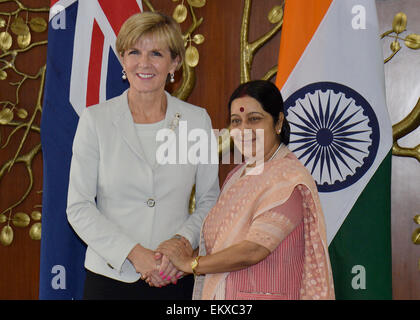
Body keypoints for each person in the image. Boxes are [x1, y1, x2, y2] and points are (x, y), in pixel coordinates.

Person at [66, 11, 220, 300]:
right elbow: (79, 207)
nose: (144, 63)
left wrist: (180, 244)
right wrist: (134, 254)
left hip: (174, 276)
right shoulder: (95, 120)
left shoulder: (197, 120)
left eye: (156, 53)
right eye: (134, 52)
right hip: (110, 277)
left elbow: (210, 200)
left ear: (174, 62)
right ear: (123, 59)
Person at [157, 80, 335, 300]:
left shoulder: (288, 179)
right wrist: (176, 260)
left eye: (254, 119)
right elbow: (224, 245)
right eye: (236, 121)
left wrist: (190, 263)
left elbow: (254, 250)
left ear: (278, 122)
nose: (244, 130)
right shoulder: (237, 175)